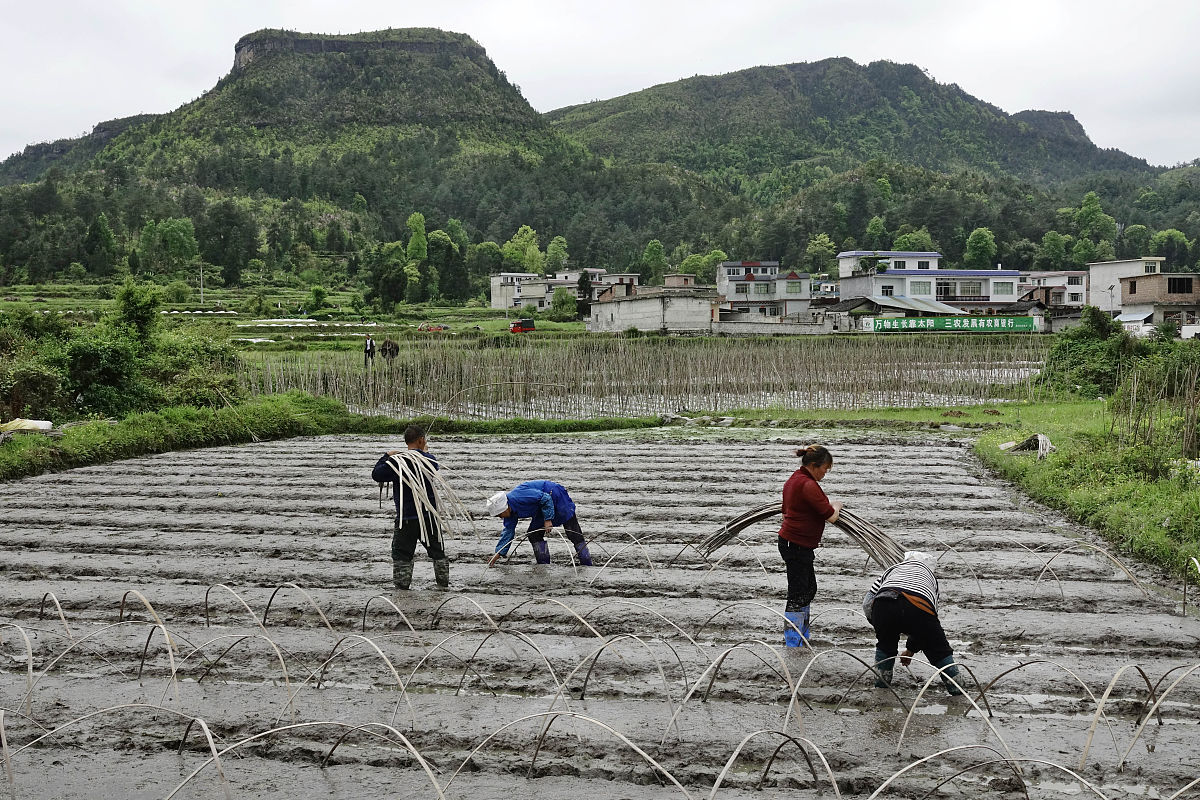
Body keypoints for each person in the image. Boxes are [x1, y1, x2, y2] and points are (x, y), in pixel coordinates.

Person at [863, 551, 963, 696]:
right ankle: (958, 691)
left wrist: (879, 624)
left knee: (885, 646)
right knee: (939, 650)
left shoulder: (892, 569)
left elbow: (867, 602)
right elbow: (925, 624)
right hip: (918, 604)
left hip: (883, 603)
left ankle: (881, 689)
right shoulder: (930, 578)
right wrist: (911, 649)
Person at [778, 445, 842, 647]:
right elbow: (831, 516)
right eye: (825, 469)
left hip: (795, 544)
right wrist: (837, 505)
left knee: (808, 589)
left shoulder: (795, 479)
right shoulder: (807, 484)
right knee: (798, 594)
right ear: (814, 465)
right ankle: (793, 641)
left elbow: (786, 511)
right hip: (796, 544)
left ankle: (801, 636)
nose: (825, 473)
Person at [371, 425, 449, 590]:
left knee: (402, 554)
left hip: (406, 518)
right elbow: (434, 467)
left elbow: (376, 474)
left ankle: (402, 589)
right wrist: (425, 453)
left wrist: (387, 455)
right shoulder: (428, 460)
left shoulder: (396, 462)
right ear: (421, 440)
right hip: (429, 517)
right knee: (438, 552)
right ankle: (443, 586)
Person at [486, 480, 592, 567]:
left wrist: (548, 519)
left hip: (555, 495)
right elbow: (508, 531)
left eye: (500, 514)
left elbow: (545, 498)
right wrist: (498, 553)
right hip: (541, 507)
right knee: (534, 534)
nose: (500, 517)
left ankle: (586, 563)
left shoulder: (519, 496)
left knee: (573, 532)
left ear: (504, 508)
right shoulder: (509, 513)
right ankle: (543, 565)